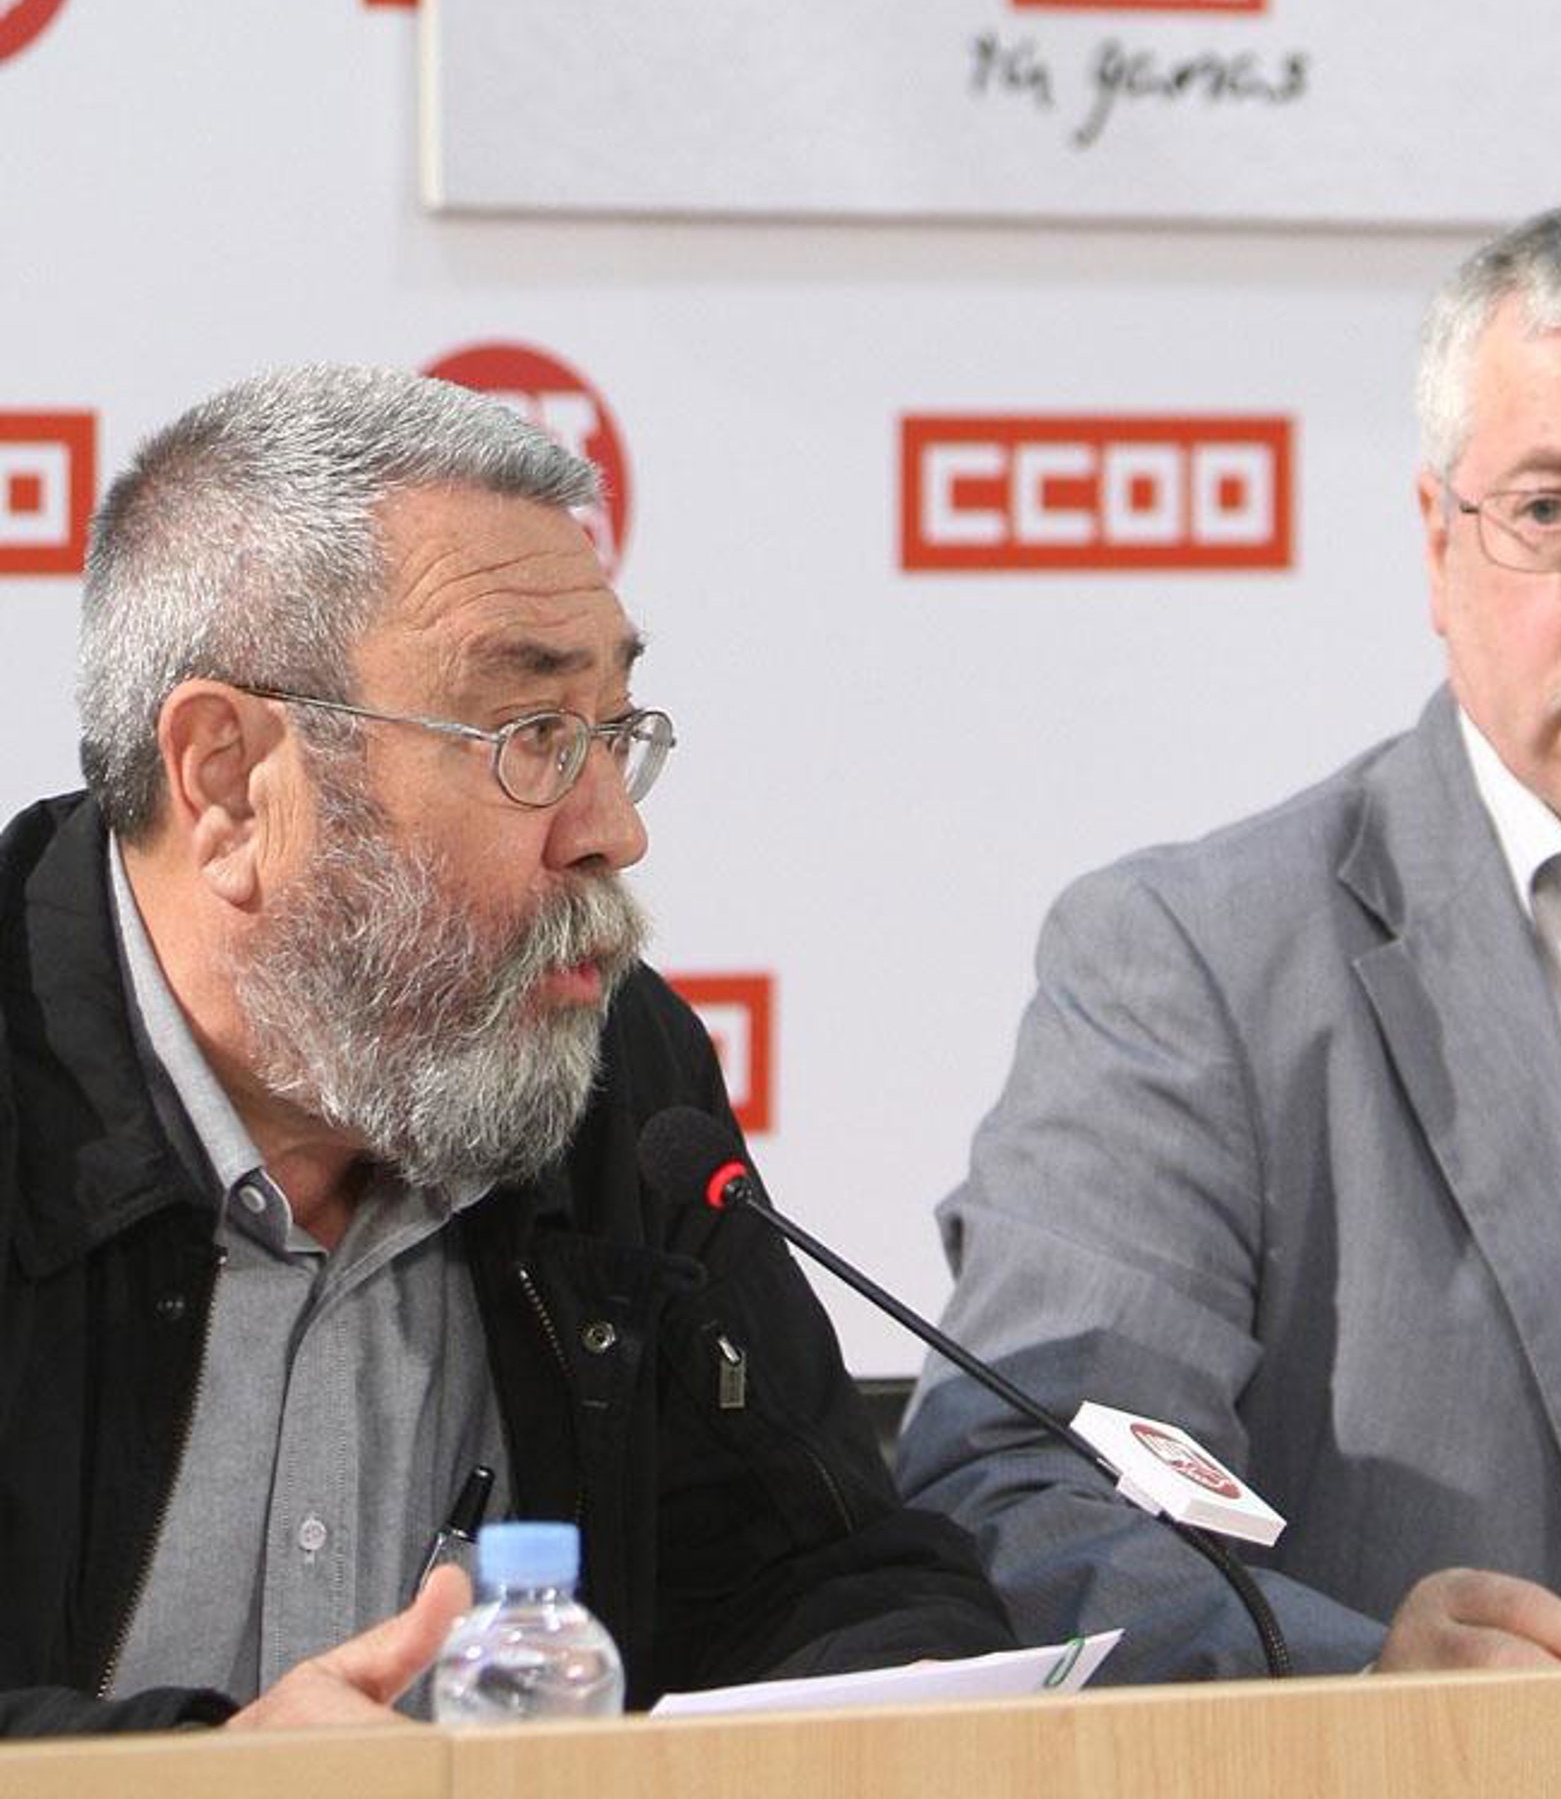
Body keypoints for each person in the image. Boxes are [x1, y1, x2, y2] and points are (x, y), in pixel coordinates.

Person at [896, 192, 1561, 1679]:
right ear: (1442, 547)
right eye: (1550, 512)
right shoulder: (1198, 969)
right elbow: (1025, 1486)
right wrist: (1367, 1688)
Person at [0, 365, 1011, 1736]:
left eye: (612, 734)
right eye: (531, 735)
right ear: (228, 780)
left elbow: (832, 1578)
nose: (613, 831)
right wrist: (198, 1773)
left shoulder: (609, 1068)